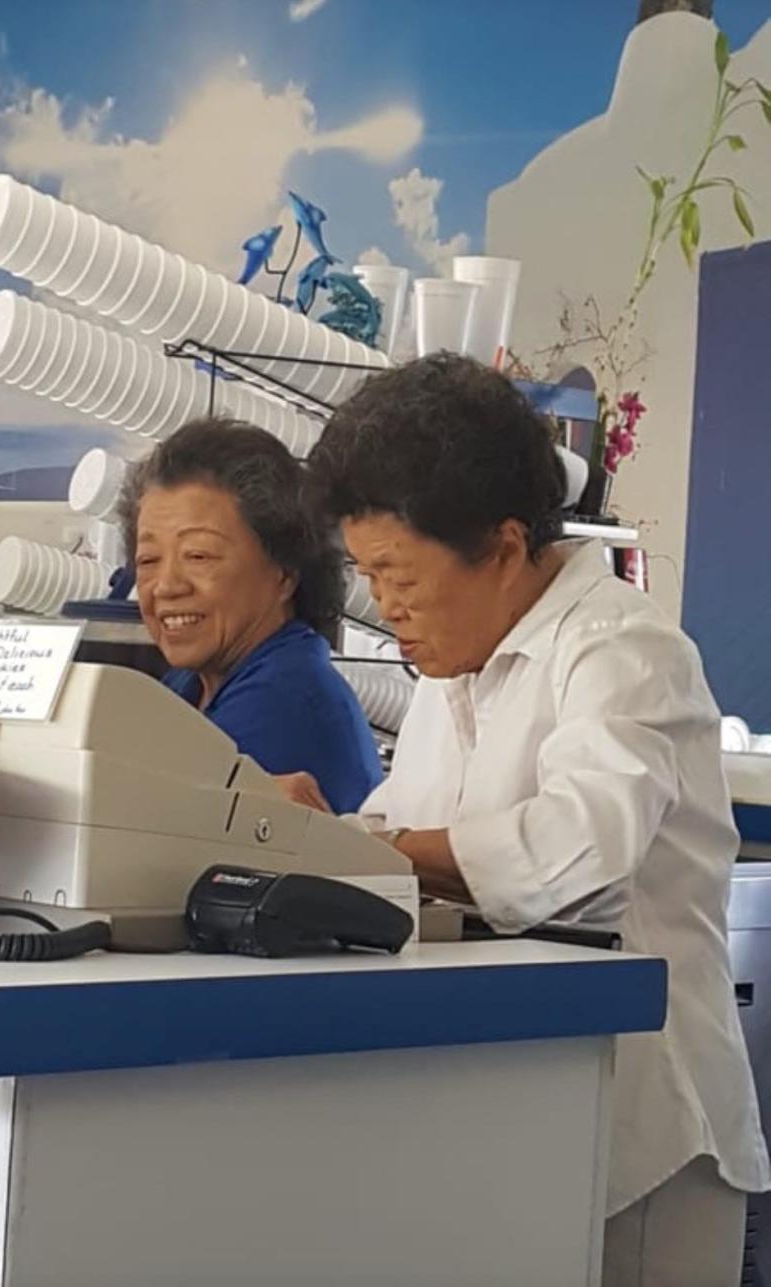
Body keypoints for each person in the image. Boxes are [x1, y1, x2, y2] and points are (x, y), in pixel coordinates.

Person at [306, 352, 769, 1287]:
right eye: (365, 575)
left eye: (397, 574)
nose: (384, 605)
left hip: (647, 1120)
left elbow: (581, 850)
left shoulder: (622, 647)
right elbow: (404, 826)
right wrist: (324, 837)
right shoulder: (456, 663)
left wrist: (379, 850)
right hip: (520, 1108)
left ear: (504, 544)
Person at [120, 416, 382, 815]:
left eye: (199, 556)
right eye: (148, 559)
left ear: (283, 572)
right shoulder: (191, 682)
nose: (166, 586)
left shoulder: (285, 700)